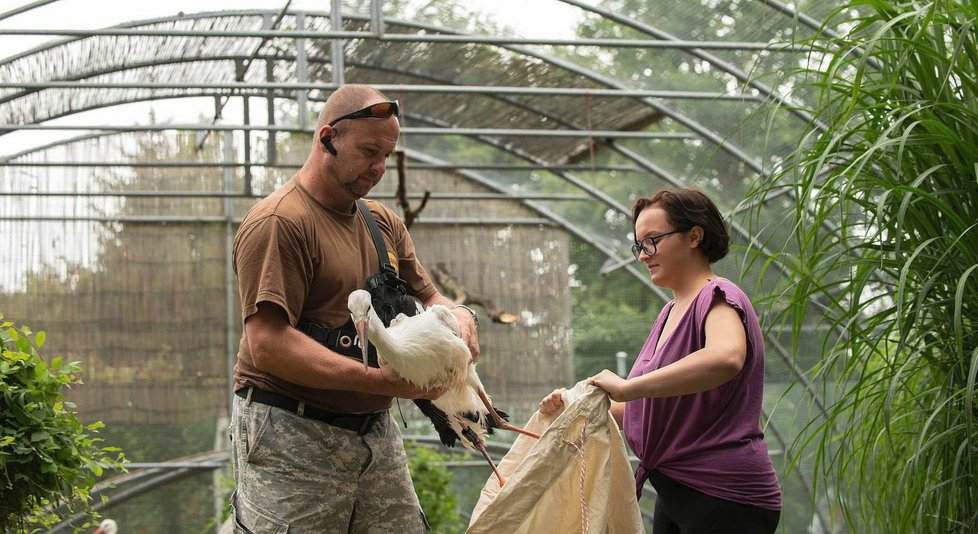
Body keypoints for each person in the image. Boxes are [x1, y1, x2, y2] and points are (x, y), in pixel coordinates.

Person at [228, 84, 480, 533]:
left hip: (372, 428)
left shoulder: (380, 222)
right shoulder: (280, 223)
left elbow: (431, 296)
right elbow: (267, 343)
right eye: (368, 151)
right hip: (290, 427)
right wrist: (380, 379)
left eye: (388, 155)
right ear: (327, 138)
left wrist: (460, 316)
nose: (379, 167)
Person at [540, 188, 781, 533]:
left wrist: (627, 387)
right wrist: (575, 409)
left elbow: (726, 357)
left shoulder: (719, 296)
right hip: (674, 488)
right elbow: (649, 407)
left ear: (694, 236)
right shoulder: (669, 313)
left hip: (725, 493)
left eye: (652, 240)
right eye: (639, 245)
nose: (642, 255)